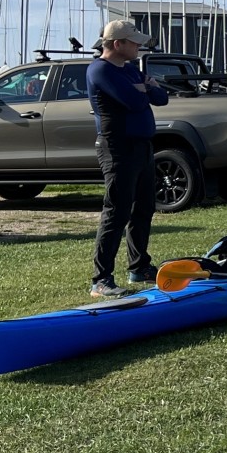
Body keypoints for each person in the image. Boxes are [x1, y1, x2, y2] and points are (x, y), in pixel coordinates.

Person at [86, 19, 171, 297]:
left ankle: (139, 266)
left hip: (142, 146)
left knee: (144, 207)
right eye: (134, 42)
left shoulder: (131, 70)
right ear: (117, 44)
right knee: (117, 211)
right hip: (117, 148)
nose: (139, 46)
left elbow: (161, 98)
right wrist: (145, 88)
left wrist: (145, 87)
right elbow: (134, 102)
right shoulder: (100, 70)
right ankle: (101, 279)